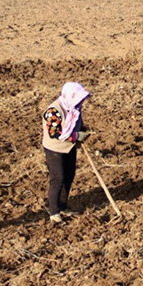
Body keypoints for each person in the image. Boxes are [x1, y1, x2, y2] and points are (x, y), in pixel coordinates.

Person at [42, 82, 92, 224]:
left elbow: (77, 123)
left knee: (69, 176)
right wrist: (76, 136)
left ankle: (63, 207)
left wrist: (83, 130)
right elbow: (55, 133)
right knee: (58, 179)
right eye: (80, 99)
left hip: (69, 147)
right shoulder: (53, 111)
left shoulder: (74, 108)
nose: (82, 102)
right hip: (55, 149)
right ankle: (54, 212)